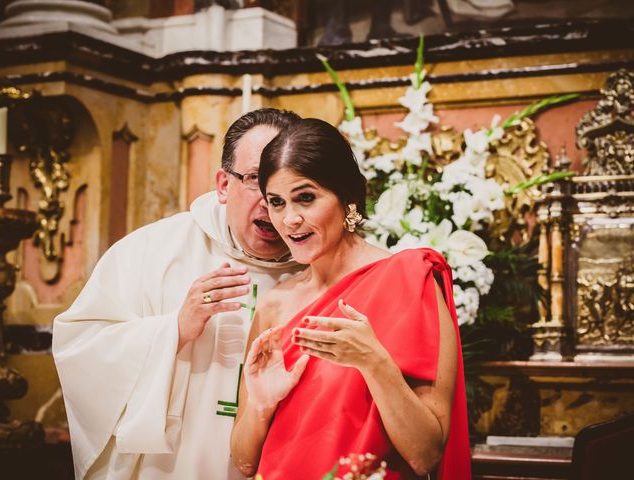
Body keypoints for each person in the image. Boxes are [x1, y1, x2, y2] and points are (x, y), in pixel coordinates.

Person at [52, 108, 303, 479]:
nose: (269, 199)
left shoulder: (324, 265)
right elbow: (80, 347)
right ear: (223, 184)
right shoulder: (154, 250)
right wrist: (174, 330)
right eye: (255, 179)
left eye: (286, 183)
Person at [230, 118, 471, 479]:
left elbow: (426, 453)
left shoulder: (409, 279)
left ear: (349, 198)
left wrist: (374, 364)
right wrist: (261, 406)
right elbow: (244, 462)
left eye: (306, 198)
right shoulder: (274, 306)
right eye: (276, 202)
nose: (289, 219)